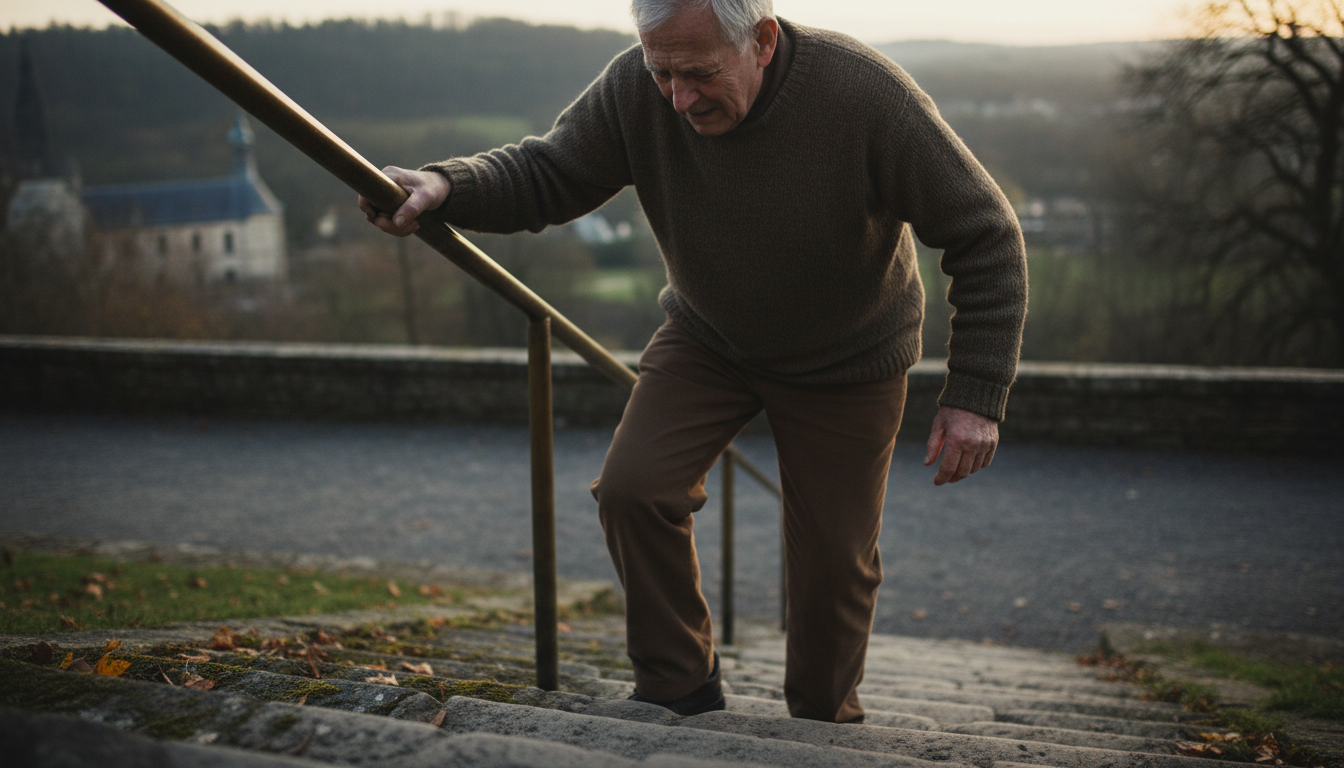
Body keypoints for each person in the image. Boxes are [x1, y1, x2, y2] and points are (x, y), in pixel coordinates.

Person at [359, 0, 1027, 725]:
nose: (678, 98)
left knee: (833, 564)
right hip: (710, 339)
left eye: (699, 73)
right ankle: (679, 688)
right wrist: (447, 186)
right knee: (633, 491)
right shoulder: (634, 88)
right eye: (662, 73)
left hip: (849, 357)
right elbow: (549, 170)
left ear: (762, 40)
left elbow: (985, 233)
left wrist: (975, 393)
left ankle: (821, 722)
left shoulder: (867, 95)